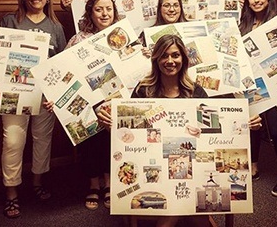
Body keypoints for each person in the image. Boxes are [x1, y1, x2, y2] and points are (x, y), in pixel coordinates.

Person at [98, 34, 262, 226]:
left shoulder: (196, 91)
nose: (170, 61)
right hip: (153, 167)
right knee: (193, 216)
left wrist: (245, 125)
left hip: (191, 168)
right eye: (164, 56)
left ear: (183, 59)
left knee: (194, 214)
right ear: (156, 59)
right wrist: (109, 123)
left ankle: (188, 214)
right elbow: (127, 136)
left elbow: (215, 130)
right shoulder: (143, 90)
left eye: (175, 55)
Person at [0, 0, 67, 218]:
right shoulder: (10, 20)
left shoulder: (55, 27)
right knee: (12, 142)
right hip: (14, 93)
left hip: (43, 95)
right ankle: (11, 192)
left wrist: (56, 94)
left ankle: (38, 182)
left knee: (43, 139)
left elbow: (61, 64)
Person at [66, 0, 120, 210]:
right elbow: (64, 73)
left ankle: (109, 184)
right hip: (86, 102)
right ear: (90, 12)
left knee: (111, 140)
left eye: (108, 8)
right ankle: (93, 185)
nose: (104, 13)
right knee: (89, 142)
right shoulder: (78, 39)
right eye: (99, 9)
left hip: (114, 99)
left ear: (114, 11)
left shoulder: (122, 35)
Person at [239, 0, 277, 197]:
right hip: (251, 84)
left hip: (275, 84)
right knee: (253, 126)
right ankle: (254, 165)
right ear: (247, 1)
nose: (257, 0)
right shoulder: (243, 25)